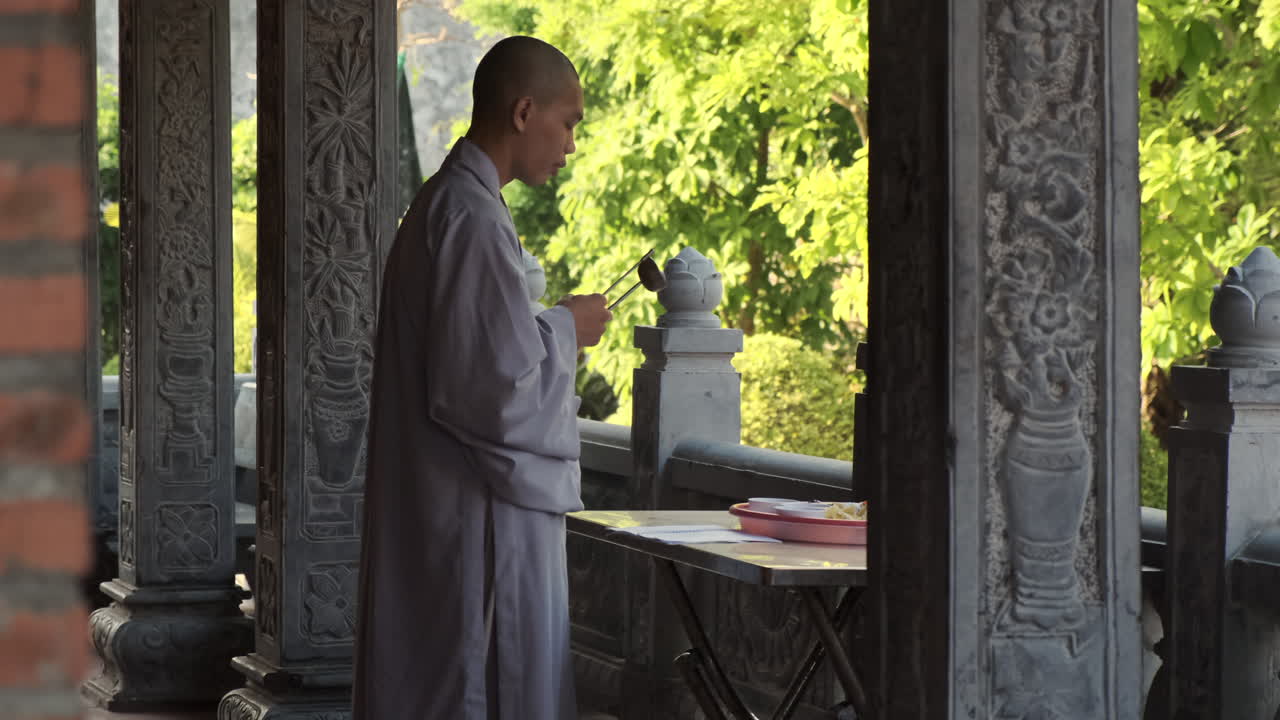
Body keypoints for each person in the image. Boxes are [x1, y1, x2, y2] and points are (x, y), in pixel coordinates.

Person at [353, 36, 611, 720]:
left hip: (441, 502)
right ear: (524, 112)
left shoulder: (456, 204)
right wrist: (566, 329)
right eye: (570, 122)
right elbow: (495, 395)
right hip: (469, 513)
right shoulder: (468, 217)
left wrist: (546, 327)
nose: (572, 144)